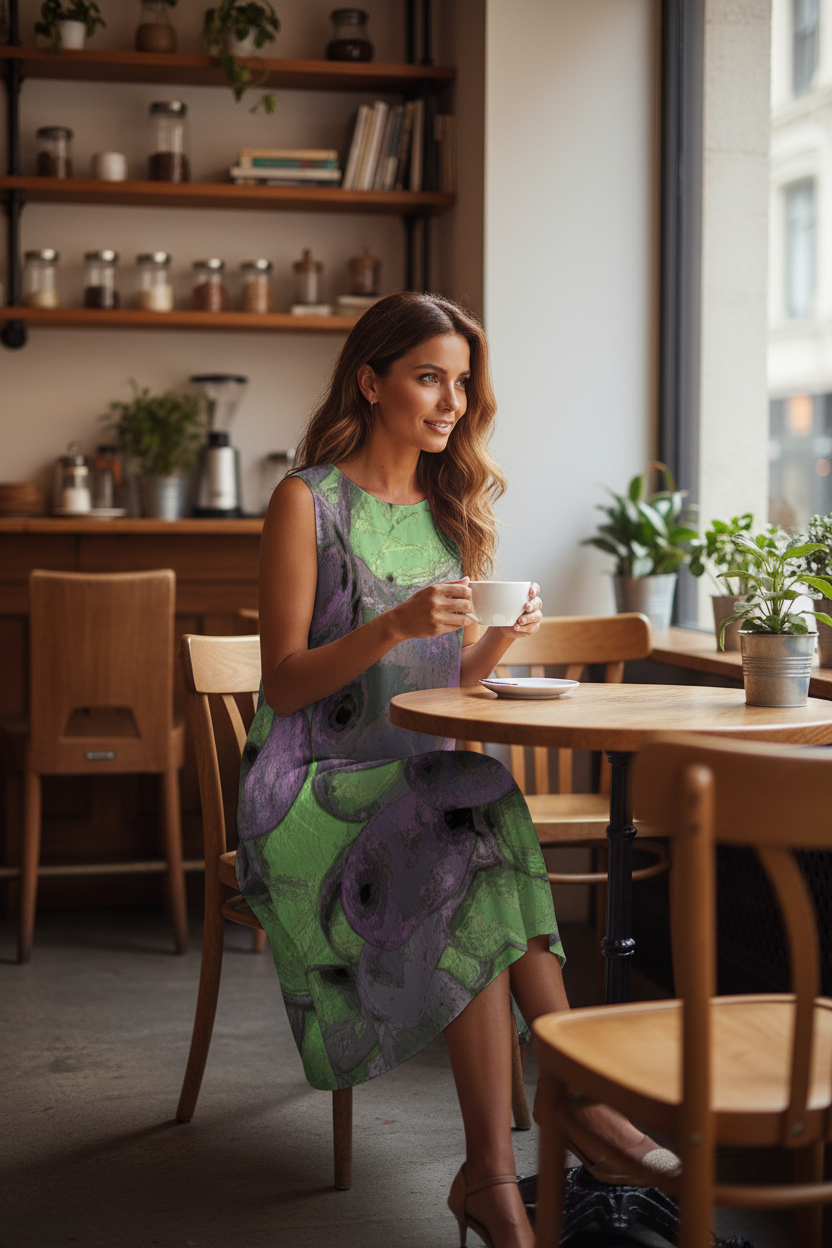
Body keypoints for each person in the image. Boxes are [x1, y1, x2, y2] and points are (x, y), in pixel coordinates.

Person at [237, 292, 677, 1248]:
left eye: (462, 382)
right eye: (429, 376)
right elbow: (282, 680)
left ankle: (490, 1174)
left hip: (414, 783)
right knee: (476, 811)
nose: (450, 401)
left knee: (478, 814)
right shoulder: (305, 500)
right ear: (373, 380)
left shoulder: (449, 511)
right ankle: (573, 1104)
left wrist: (491, 649)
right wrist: (391, 623)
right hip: (307, 788)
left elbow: (442, 682)